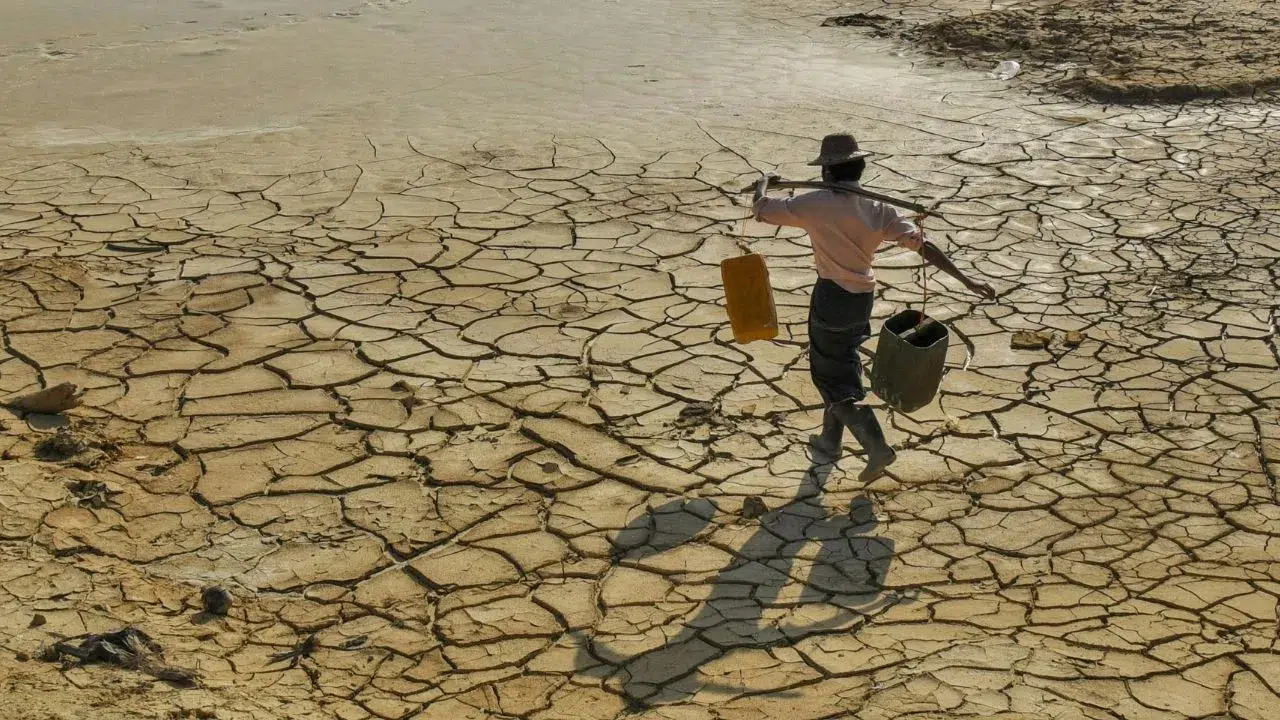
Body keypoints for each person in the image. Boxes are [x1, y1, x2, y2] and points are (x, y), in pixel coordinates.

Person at [753, 133, 995, 481]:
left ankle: (877, 446)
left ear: (826, 173)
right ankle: (829, 441)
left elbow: (762, 210)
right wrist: (966, 280)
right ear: (859, 169)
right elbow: (923, 246)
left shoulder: (815, 203)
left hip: (832, 296)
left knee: (829, 373)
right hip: (862, 298)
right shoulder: (879, 209)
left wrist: (762, 184)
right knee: (841, 363)